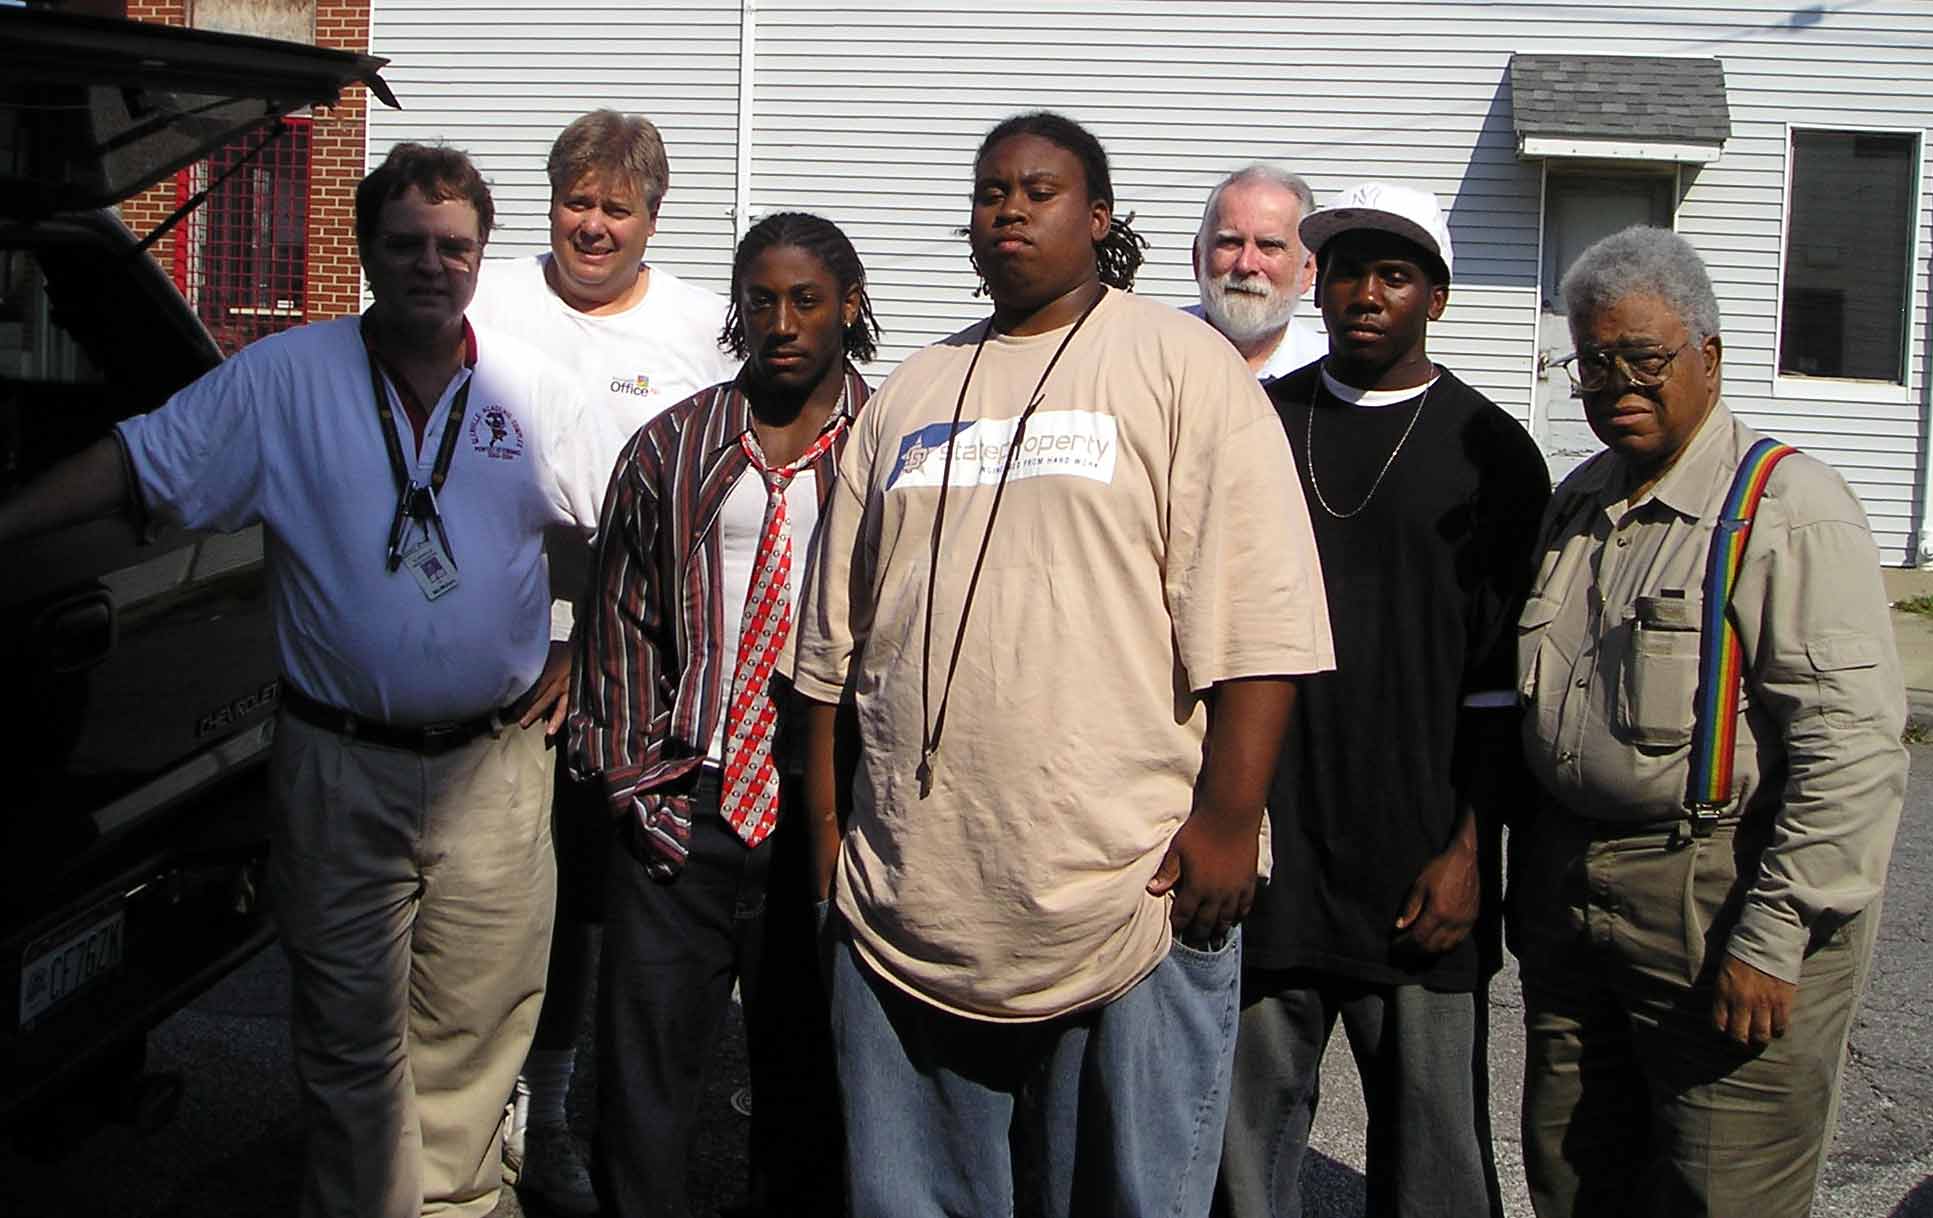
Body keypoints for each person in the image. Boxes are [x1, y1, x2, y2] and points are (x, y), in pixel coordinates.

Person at [0, 143, 622, 1218]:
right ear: (367, 252)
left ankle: (457, 1206)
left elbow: (635, 527)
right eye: (407, 244)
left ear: (480, 257)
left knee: (475, 1036)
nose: (432, 265)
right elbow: (137, 461)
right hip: (338, 767)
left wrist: (589, 644)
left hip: (496, 772)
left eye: (454, 247)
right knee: (349, 1045)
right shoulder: (284, 378)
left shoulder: (534, 393)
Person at [792, 111, 1334, 1217]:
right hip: (913, 898)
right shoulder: (911, 392)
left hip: (1127, 895)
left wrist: (1229, 818)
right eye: (990, 193)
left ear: (1097, 219)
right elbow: (829, 654)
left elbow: (1260, 622)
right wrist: (826, 843)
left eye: (1038, 192)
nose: (1009, 211)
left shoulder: (1183, 366)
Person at [1515, 224, 1907, 1217]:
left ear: (1708, 355)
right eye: (1592, 361)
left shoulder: (1787, 509)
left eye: (1643, 357)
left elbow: (1850, 753)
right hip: (1573, 902)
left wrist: (1773, 937)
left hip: (1718, 900)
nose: (1616, 384)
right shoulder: (1578, 502)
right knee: (1573, 1176)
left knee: (1719, 1190)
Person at [1213, 182, 1549, 1218]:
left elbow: (1503, 685)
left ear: (1434, 299)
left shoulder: (1489, 451)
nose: (1366, 294)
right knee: (1239, 1154)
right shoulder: (1259, 424)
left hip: (1420, 870)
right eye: (1349, 272)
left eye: (1394, 275)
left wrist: (1470, 852)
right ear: (1319, 288)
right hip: (1274, 857)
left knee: (1435, 1159)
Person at [567, 211, 875, 1218]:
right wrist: (632, 780)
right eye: (761, 301)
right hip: (684, 805)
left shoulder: (889, 450)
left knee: (806, 1077)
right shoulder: (673, 445)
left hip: (820, 814)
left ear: (849, 308)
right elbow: (620, 620)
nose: (781, 323)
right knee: (642, 1082)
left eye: (806, 301)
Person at [467, 108, 739, 1215]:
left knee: (589, 906)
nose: (592, 225)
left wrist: (596, 640)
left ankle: (551, 1113)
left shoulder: (700, 326)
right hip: (490, 656)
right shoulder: (488, 303)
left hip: (633, 665)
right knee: (490, 909)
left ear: (652, 218)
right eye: (575, 202)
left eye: (615, 208)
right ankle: (470, 1123)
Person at [1186, 164, 1328, 381]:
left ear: (1307, 270)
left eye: (1269, 246)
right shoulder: (1149, 351)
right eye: (1230, 243)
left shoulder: (1327, 376)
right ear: (1198, 258)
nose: (1246, 265)